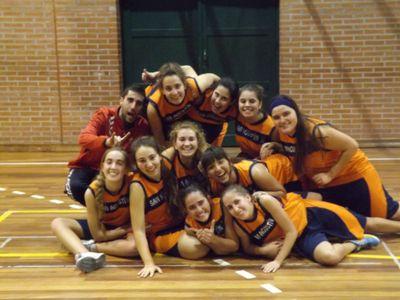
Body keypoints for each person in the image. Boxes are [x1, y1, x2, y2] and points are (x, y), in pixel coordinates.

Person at [261, 95, 400, 219]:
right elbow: (297, 148)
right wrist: (277, 146)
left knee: (389, 214)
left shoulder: (317, 132)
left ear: (296, 112)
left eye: (286, 114)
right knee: (346, 216)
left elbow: (352, 145)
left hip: (354, 176)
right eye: (277, 117)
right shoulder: (280, 134)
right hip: (326, 184)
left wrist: (330, 174)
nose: (282, 120)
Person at [222, 184, 400, 273]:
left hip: (312, 214)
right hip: (300, 235)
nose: (235, 209)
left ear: (248, 197)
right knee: (329, 257)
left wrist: (278, 261)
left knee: (366, 223)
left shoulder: (264, 201)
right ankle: (358, 243)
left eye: (237, 202)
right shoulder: (239, 224)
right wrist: (262, 250)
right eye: (229, 207)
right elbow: (247, 248)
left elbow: (290, 230)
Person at [130, 136, 209, 278]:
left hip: (183, 223)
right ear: (136, 163)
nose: (149, 164)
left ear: (160, 156)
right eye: (142, 161)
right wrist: (148, 263)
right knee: (197, 249)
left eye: (152, 157)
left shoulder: (166, 162)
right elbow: (139, 230)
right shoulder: (137, 186)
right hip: (160, 233)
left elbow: (185, 142)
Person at [52, 148, 137, 273]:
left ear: (126, 169)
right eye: (109, 162)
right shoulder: (92, 191)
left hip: (127, 228)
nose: (113, 167)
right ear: (102, 166)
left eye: (119, 163)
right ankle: (85, 255)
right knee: (58, 223)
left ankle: (88, 247)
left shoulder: (133, 183)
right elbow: (98, 235)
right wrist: (121, 230)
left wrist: (127, 230)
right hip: (113, 228)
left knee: (135, 247)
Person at [65, 85, 150, 205]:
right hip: (88, 166)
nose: (133, 107)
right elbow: (83, 138)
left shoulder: (143, 126)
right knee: (76, 187)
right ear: (121, 100)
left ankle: (113, 213)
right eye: (130, 100)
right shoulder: (104, 115)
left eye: (138, 103)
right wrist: (106, 142)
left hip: (115, 169)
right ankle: (102, 213)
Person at [145, 62, 220, 146]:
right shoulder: (153, 106)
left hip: (185, 117)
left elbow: (213, 77)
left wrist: (222, 93)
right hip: (164, 122)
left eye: (177, 86)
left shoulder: (194, 86)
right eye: (168, 88)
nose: (175, 93)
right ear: (162, 90)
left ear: (184, 85)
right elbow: (159, 136)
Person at [200, 146, 285, 198]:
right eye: (211, 167)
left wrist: (257, 196)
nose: (218, 169)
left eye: (221, 162)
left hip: (285, 169)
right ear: (207, 174)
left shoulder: (253, 171)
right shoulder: (213, 185)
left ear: (229, 162)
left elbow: (282, 193)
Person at [179, 184, 239, 255]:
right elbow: (219, 251)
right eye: (192, 207)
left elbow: (235, 246)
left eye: (201, 203)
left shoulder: (222, 206)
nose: (199, 210)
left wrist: (214, 239)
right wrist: (210, 242)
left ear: (209, 199)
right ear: (186, 210)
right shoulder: (189, 226)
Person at [187, 77, 239, 146]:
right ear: (213, 91)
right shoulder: (200, 96)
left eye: (224, 98)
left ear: (231, 102)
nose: (217, 101)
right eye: (216, 94)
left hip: (213, 129)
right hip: (188, 122)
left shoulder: (236, 110)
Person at [162, 121, 209, 190]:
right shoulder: (166, 161)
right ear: (175, 144)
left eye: (191, 139)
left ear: (198, 142)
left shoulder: (206, 157)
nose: (187, 144)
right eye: (182, 139)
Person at [235, 84, 275, 158]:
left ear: (260, 104)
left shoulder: (271, 127)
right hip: (246, 156)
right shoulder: (237, 115)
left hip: (265, 161)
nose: (247, 105)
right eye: (243, 101)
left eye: (252, 101)